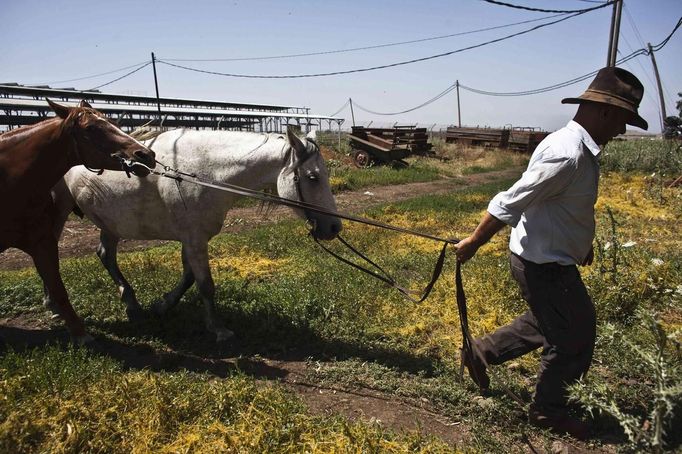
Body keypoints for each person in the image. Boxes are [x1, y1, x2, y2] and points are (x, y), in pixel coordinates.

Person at [454, 66, 648, 440]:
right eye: (623, 119)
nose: (623, 130)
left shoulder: (574, 147)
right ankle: (547, 410)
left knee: (548, 321)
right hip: (543, 264)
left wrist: (580, 244)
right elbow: (513, 200)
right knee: (575, 334)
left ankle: (480, 352)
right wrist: (474, 242)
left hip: (547, 254)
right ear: (605, 112)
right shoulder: (567, 154)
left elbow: (558, 205)